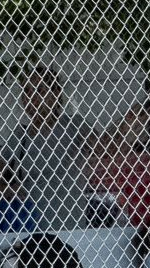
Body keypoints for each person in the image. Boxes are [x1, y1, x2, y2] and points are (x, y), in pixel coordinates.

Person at [6, 65, 99, 231]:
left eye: (40, 91)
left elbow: (102, 148)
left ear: (56, 93)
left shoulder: (74, 125)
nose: (32, 98)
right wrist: (8, 190)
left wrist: (125, 126)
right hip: (30, 227)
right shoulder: (20, 135)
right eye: (27, 92)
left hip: (71, 224)